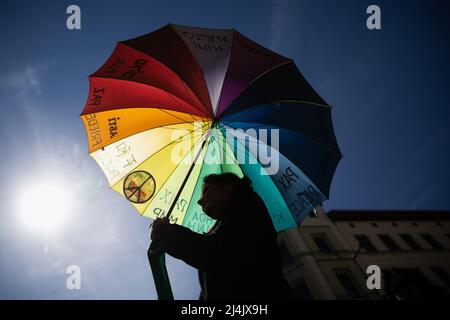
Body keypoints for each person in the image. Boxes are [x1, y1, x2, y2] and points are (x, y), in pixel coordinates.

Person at [150, 172, 294, 300]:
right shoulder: (226, 222)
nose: (200, 201)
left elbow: (217, 254)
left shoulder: (248, 207)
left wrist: (170, 234)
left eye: (206, 190)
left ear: (227, 187)